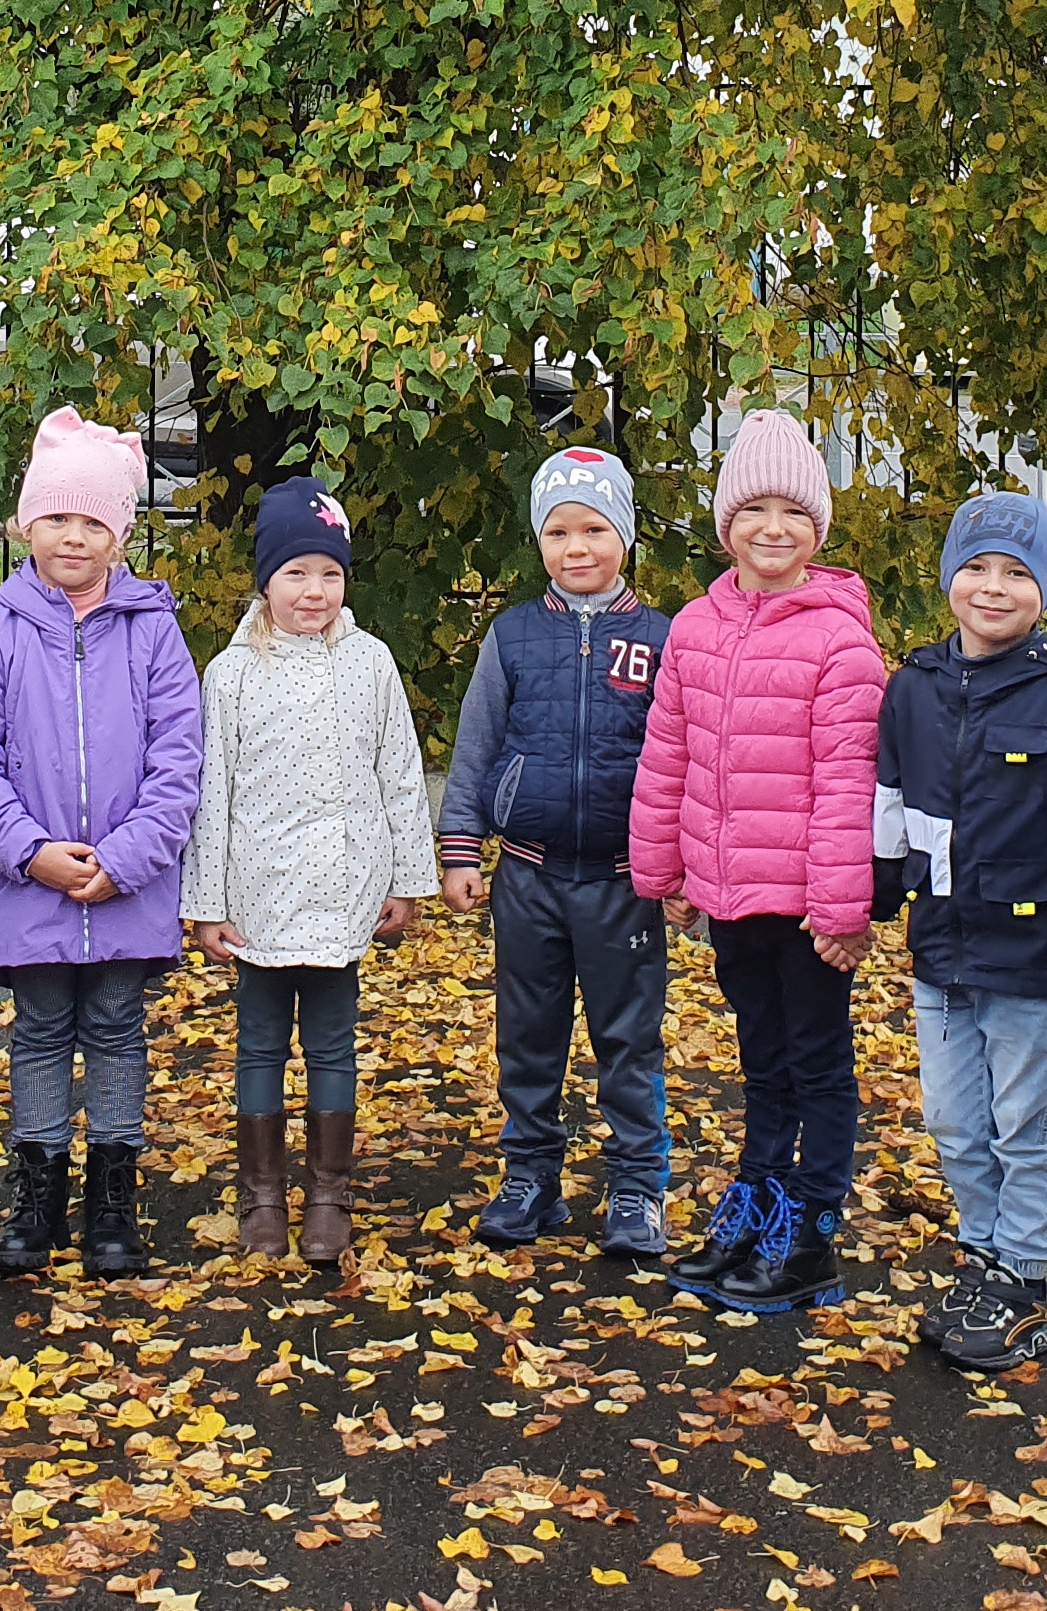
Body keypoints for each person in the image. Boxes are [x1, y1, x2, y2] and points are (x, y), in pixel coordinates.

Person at [628, 408, 888, 1317]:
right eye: (752, 510)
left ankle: (812, 1225)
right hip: (730, 890)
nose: (770, 529)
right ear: (725, 522)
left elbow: (847, 784)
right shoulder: (697, 627)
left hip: (807, 907)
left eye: (791, 512)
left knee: (816, 1061)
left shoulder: (840, 640)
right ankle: (760, 1192)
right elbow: (670, 755)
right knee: (760, 1058)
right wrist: (660, 872)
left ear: (816, 529)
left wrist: (841, 908)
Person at [0, 408, 206, 1279]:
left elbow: (179, 760)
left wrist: (128, 858)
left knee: (116, 1028)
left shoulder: (153, 631)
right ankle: (35, 1189)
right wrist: (30, 852)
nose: (74, 535)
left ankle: (112, 1191)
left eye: (93, 520)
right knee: (38, 1032)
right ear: (28, 523)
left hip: (126, 886)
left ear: (120, 533)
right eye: (57, 516)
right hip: (31, 885)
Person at [875, 490, 1047, 1374]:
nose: (993, 587)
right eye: (976, 567)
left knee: (1022, 1120)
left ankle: (1024, 1268)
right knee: (952, 1119)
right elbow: (890, 808)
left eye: (1018, 573)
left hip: (1028, 958)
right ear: (950, 580)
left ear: (1045, 592)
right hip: (941, 951)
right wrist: (871, 898)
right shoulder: (913, 688)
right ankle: (982, 1248)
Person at [187, 477, 438, 1262]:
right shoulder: (230, 674)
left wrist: (407, 878)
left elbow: (399, 770)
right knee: (259, 1045)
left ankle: (330, 1191)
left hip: (342, 892)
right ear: (266, 578)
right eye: (296, 572)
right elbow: (210, 793)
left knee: (333, 1045)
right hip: (258, 896)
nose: (314, 590)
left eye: (329, 573)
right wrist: (206, 901)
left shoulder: (369, 663)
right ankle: (262, 1194)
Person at [438, 443, 673, 1260]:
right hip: (529, 877)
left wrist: (675, 864)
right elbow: (475, 748)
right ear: (538, 542)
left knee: (629, 1039)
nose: (578, 548)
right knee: (528, 1034)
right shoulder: (511, 637)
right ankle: (528, 1176)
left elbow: (680, 758)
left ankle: (639, 1187)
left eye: (595, 529)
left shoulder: (660, 639)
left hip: (623, 881)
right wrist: (461, 849)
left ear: (627, 536)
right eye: (559, 533)